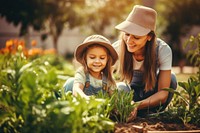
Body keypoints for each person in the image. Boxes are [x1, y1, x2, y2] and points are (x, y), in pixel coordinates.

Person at [113, 5, 177, 120]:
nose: (129, 41)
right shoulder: (117, 49)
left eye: (136, 37)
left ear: (149, 37)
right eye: (127, 34)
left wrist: (136, 106)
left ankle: (151, 114)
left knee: (171, 79)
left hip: (150, 95)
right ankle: (126, 114)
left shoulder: (162, 50)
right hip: (128, 95)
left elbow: (163, 94)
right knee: (120, 87)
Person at [63, 35, 118, 100]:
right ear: (85, 58)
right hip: (83, 106)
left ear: (107, 59)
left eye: (102, 58)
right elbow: (76, 89)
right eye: (92, 57)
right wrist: (86, 98)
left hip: (101, 108)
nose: (97, 61)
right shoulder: (82, 72)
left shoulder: (108, 77)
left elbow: (114, 98)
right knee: (70, 82)